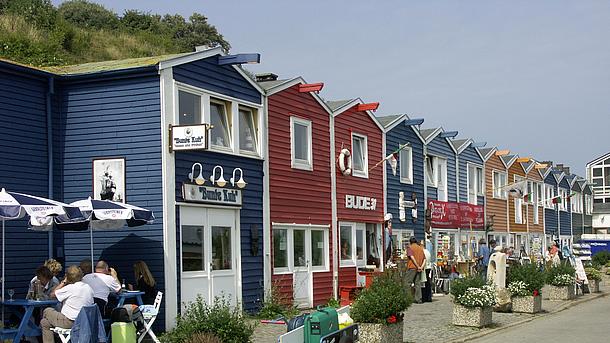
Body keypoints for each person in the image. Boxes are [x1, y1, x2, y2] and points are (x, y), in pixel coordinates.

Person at [41, 265, 94, 343]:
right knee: (44, 322)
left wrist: (64, 282)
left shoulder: (70, 288)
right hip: (85, 322)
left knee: (47, 310)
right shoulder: (88, 287)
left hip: (70, 322)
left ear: (68, 277)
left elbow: (52, 295)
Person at [404, 237, 425, 304]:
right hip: (419, 268)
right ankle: (418, 299)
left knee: (407, 283)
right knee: (417, 284)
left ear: (410, 242)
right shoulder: (420, 248)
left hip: (412, 267)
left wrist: (417, 266)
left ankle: (408, 299)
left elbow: (412, 257)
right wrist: (421, 267)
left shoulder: (410, 248)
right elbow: (425, 259)